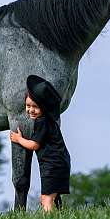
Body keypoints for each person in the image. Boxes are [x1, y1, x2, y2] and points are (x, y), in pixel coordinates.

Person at [9, 75, 71, 212]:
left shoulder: (42, 122)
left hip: (53, 165)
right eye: (28, 105)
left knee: (46, 199)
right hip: (57, 163)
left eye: (35, 107)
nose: (31, 110)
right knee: (49, 197)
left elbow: (34, 145)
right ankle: (57, 218)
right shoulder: (47, 121)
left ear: (44, 107)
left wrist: (19, 139)